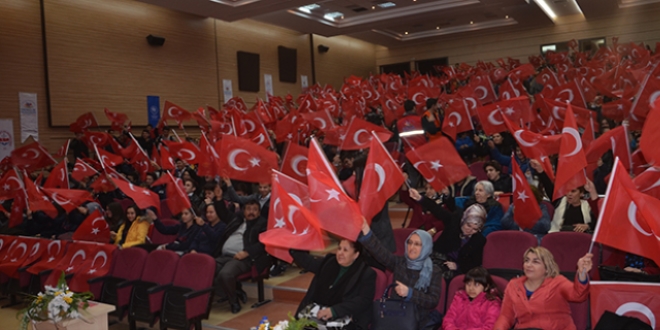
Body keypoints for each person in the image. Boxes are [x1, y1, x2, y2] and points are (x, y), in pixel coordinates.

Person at [358, 218, 442, 329]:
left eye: (417, 244)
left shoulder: (434, 271)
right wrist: (366, 231)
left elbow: (433, 301)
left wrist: (410, 293)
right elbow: (380, 253)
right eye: (410, 242)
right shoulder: (400, 263)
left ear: (426, 247)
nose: (411, 247)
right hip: (394, 315)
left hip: (417, 321)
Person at [493, 247, 593, 330]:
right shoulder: (513, 285)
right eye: (526, 261)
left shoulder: (558, 282)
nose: (528, 265)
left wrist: (582, 273)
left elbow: (578, 295)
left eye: (535, 262)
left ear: (547, 268)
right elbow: (505, 317)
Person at [290, 240, 376, 330]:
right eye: (339, 249)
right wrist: (292, 246)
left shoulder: (365, 273)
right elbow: (309, 263)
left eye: (345, 250)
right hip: (317, 311)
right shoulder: (329, 262)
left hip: (344, 315)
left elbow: (363, 300)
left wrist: (334, 311)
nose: (340, 253)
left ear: (356, 255)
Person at [410, 188, 487, 275]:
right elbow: (436, 209)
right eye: (468, 225)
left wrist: (457, 266)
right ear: (463, 220)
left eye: (475, 229)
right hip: (438, 257)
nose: (470, 230)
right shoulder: (454, 220)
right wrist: (420, 198)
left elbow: (475, 264)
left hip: (456, 269)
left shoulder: (480, 240)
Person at [212, 199, 268, 314]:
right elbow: (223, 213)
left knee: (225, 274)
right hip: (223, 256)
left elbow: (264, 243)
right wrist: (218, 199)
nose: (251, 212)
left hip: (244, 259)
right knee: (207, 271)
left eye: (255, 210)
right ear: (243, 211)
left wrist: (247, 252)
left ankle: (234, 301)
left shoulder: (262, 223)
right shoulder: (236, 220)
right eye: (248, 209)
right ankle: (233, 290)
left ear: (259, 212)